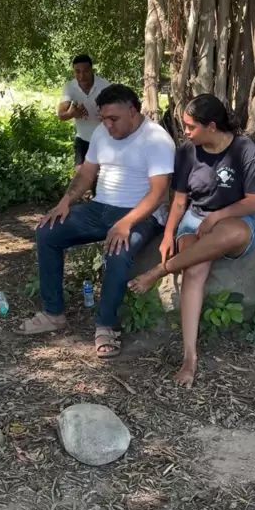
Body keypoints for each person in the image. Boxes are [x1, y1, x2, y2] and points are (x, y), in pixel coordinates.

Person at [19, 84, 176, 358]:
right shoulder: (102, 133)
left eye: (113, 118)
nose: (107, 125)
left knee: (118, 250)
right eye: (103, 118)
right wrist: (65, 202)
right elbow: (86, 174)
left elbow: (158, 192)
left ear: (132, 111)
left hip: (141, 213)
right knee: (47, 231)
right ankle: (53, 313)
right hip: (99, 208)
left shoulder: (157, 139)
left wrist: (126, 222)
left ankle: (106, 325)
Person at [129, 94, 255, 388]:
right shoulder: (186, 153)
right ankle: (190, 357)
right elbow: (179, 201)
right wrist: (168, 234)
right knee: (194, 270)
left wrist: (218, 217)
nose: (186, 132)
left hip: (235, 220)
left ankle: (161, 270)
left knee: (231, 233)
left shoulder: (244, 149)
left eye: (191, 126)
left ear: (211, 126)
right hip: (194, 220)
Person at [58, 55, 110, 170]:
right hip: (82, 139)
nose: (82, 76)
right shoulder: (70, 87)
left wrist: (105, 115)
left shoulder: (105, 85)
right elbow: (61, 115)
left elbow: (117, 111)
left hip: (105, 139)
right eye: (77, 72)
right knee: (80, 174)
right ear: (73, 72)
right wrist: (72, 113)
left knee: (103, 174)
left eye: (86, 71)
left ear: (92, 70)